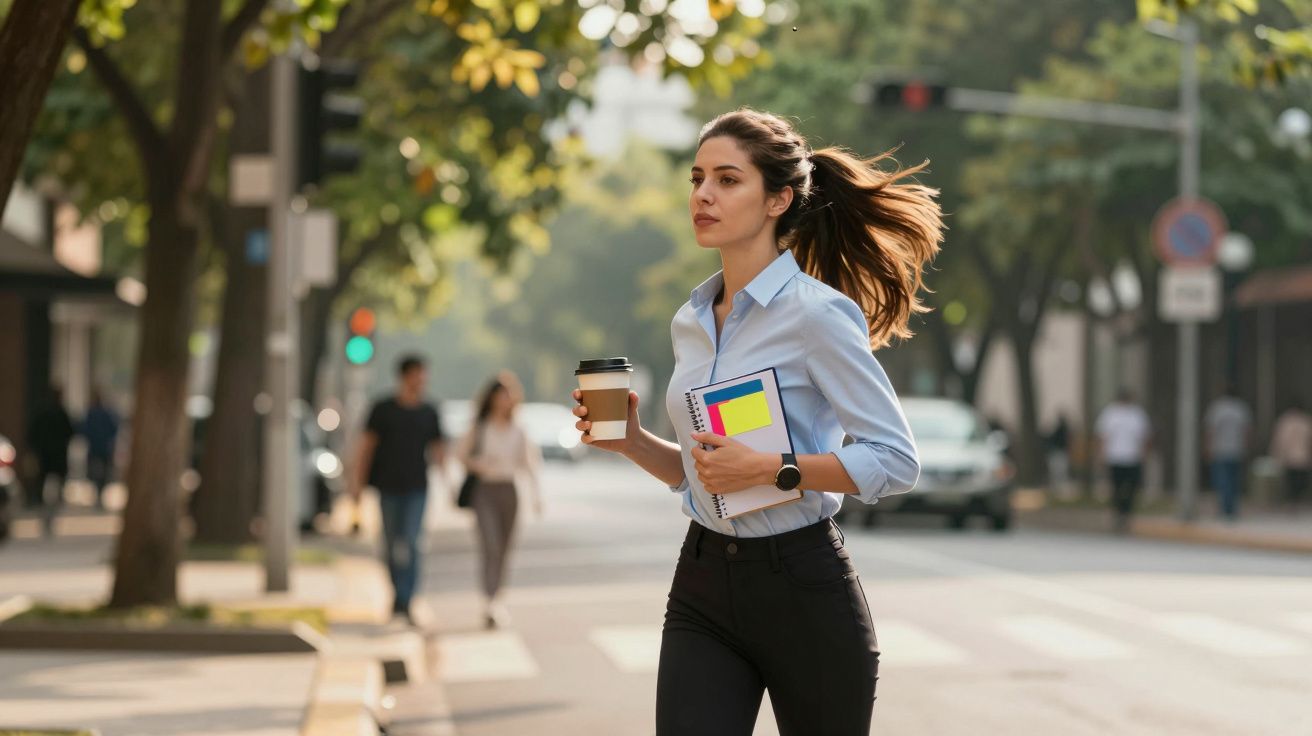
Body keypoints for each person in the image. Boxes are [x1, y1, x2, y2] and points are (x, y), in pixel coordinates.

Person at [571, 109, 939, 735]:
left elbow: (896, 461)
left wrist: (776, 468)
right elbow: (705, 478)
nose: (704, 194)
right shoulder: (690, 320)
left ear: (778, 199)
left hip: (803, 585)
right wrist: (633, 442)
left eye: (727, 179)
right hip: (705, 581)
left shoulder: (817, 315)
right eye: (697, 178)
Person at [351, 355, 447, 625]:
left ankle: (407, 600)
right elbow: (366, 447)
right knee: (392, 544)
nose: (422, 380)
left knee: (413, 542)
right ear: (405, 376)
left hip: (417, 488)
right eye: (417, 374)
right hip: (387, 487)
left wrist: (450, 483)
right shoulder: (382, 409)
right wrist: (356, 484)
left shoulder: (430, 411)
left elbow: (439, 450)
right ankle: (397, 593)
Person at [457, 371, 543, 629]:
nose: (503, 400)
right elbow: (460, 455)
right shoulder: (480, 427)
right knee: (490, 545)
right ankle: (489, 601)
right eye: (499, 395)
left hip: (509, 491)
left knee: (504, 549)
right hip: (485, 491)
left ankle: (497, 600)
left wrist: (536, 496)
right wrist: (478, 464)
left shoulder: (519, 429)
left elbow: (530, 464)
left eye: (507, 395)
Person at [1094, 389, 1152, 534]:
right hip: (1115, 457)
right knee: (1116, 487)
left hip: (1132, 457)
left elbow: (1144, 436)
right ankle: (1118, 513)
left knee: (1132, 487)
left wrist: (1144, 455)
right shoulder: (1110, 414)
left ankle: (1126, 513)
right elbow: (1103, 436)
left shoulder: (1137, 414)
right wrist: (1102, 455)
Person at [27, 386, 75, 537]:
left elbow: (32, 433)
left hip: (44, 455)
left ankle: (43, 512)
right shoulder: (61, 412)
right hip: (58, 455)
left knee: (41, 483)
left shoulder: (41, 412)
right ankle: (52, 512)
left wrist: (35, 449)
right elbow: (70, 432)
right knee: (59, 483)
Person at [1203, 384, 1251, 522]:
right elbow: (1246, 430)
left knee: (1222, 481)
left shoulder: (1217, 409)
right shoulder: (1241, 409)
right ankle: (1232, 509)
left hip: (1220, 449)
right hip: (1236, 449)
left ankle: (1224, 508)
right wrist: (1246, 447)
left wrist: (1207, 447)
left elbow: (1210, 430)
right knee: (1234, 481)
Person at [1269, 399, 1312, 511]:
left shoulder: (1286, 420)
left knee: (1290, 481)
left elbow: (1280, 440)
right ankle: (1295, 501)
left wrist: (1277, 454)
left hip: (1289, 457)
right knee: (1299, 482)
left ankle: (1291, 502)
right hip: (1302, 456)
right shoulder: (1305, 420)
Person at [81, 389, 120, 510]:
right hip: (102, 447)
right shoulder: (103, 413)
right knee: (101, 472)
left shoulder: (94, 413)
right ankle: (99, 492)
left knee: (96, 471)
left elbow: (85, 429)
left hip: (97, 447)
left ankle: (99, 492)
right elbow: (114, 429)